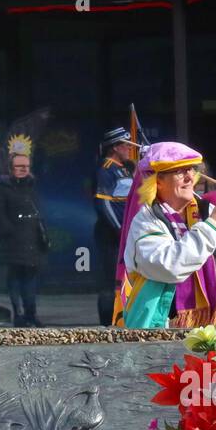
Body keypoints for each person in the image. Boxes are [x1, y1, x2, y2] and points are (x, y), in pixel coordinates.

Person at [113, 141, 216, 329]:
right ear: (157, 180)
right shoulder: (146, 221)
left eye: (191, 169)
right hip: (164, 337)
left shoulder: (209, 212)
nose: (189, 177)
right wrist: (213, 225)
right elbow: (170, 266)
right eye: (180, 171)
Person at [0, 138, 50, 326]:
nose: (23, 169)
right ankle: (18, 315)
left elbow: (39, 211)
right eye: (19, 166)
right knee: (15, 280)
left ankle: (31, 314)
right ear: (11, 169)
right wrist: (9, 231)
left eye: (26, 166)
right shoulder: (2, 189)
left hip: (32, 242)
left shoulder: (32, 186)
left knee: (30, 282)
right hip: (13, 242)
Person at [95, 126, 135, 324]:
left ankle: (122, 318)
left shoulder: (126, 168)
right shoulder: (106, 169)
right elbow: (103, 204)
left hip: (126, 234)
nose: (129, 149)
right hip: (111, 235)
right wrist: (119, 228)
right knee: (111, 280)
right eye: (126, 145)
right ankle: (105, 322)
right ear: (115, 148)